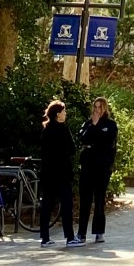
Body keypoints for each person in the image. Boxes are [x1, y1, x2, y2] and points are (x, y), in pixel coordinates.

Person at [39, 100, 82, 248]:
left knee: (47, 205)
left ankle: (45, 237)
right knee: (66, 205)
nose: (65, 113)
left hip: (48, 172)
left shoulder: (46, 130)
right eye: (64, 111)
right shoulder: (63, 129)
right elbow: (72, 149)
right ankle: (69, 237)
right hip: (62, 172)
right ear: (58, 114)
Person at [77, 97, 119, 243]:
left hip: (102, 167)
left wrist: (94, 142)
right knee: (85, 199)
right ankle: (81, 233)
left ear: (104, 108)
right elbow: (83, 139)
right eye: (95, 107)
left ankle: (99, 231)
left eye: (100, 107)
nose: (97, 110)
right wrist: (93, 127)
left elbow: (108, 143)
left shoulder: (111, 124)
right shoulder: (88, 123)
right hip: (88, 166)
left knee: (100, 199)